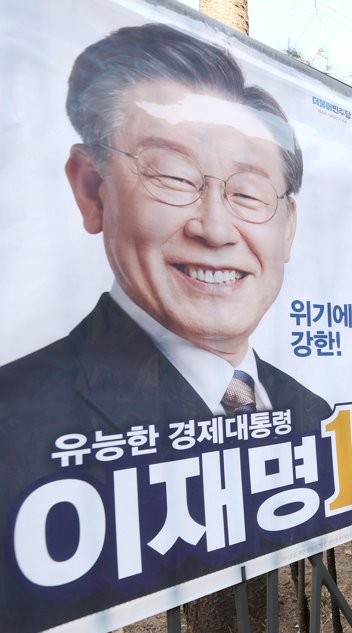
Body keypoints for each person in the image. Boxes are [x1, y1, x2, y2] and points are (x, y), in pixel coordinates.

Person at [0, 23, 331, 514]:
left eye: (248, 193)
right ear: (93, 189)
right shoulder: (18, 425)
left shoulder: (312, 411)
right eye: (174, 177)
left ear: (288, 228)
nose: (216, 229)